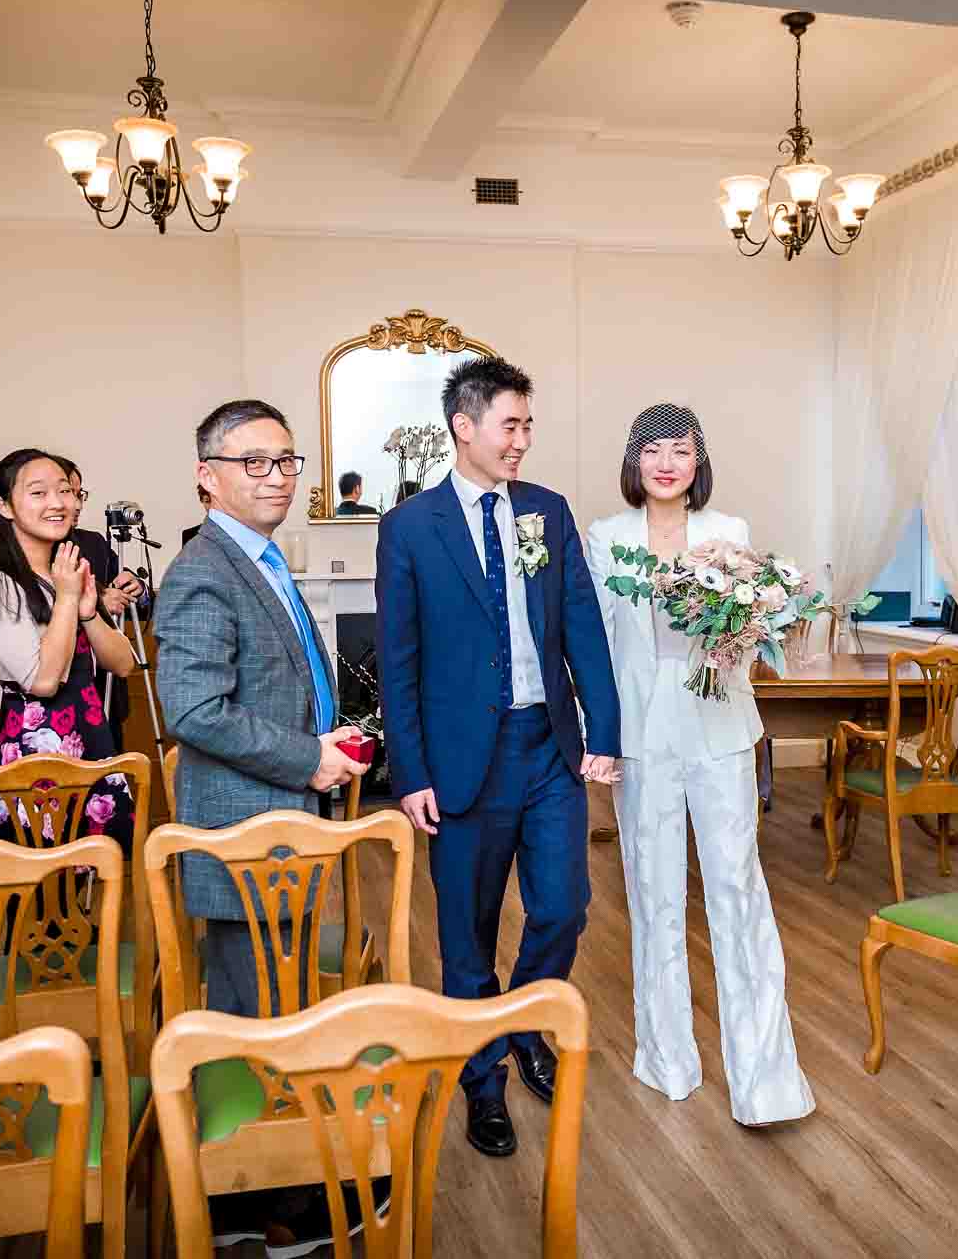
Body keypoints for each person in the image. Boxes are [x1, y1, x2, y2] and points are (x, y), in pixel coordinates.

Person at [376, 356, 620, 1158]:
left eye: (528, 426)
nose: (522, 441)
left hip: (547, 747)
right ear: (465, 427)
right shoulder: (410, 527)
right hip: (460, 762)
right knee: (468, 934)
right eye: (510, 425)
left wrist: (605, 730)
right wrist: (408, 773)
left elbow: (581, 624)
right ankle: (483, 1081)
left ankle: (519, 1025)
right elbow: (399, 658)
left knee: (563, 906)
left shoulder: (545, 513)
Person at [154, 399, 368, 1253]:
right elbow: (194, 709)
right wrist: (307, 760)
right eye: (253, 462)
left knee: (272, 1006)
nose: (274, 476)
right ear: (207, 475)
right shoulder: (205, 568)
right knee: (257, 1018)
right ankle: (267, 1203)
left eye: (285, 461)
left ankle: (274, 1184)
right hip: (247, 833)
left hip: (279, 824)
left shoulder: (263, 558)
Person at [585, 404, 814, 1126]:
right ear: (633, 461)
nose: (666, 463)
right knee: (651, 894)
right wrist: (601, 737)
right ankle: (667, 1059)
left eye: (680, 450)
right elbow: (599, 647)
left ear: (698, 461)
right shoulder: (605, 537)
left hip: (717, 720)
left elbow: (747, 635)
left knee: (736, 888)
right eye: (651, 450)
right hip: (643, 730)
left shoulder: (730, 534)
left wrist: (740, 628)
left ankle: (765, 1078)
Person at [0, 449, 138, 849]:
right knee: (36, 893)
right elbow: (43, 680)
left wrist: (88, 611)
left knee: (87, 883)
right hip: (35, 755)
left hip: (91, 741)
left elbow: (123, 663)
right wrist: (67, 598)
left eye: (64, 491)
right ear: (5, 506)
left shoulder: (65, 575)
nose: (59, 503)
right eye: (39, 493)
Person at [52, 456, 145, 751]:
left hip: (105, 688)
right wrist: (99, 602)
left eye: (80, 494)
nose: (77, 505)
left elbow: (141, 607)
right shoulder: (29, 554)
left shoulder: (94, 544)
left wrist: (137, 589)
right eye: (68, 493)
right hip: (58, 698)